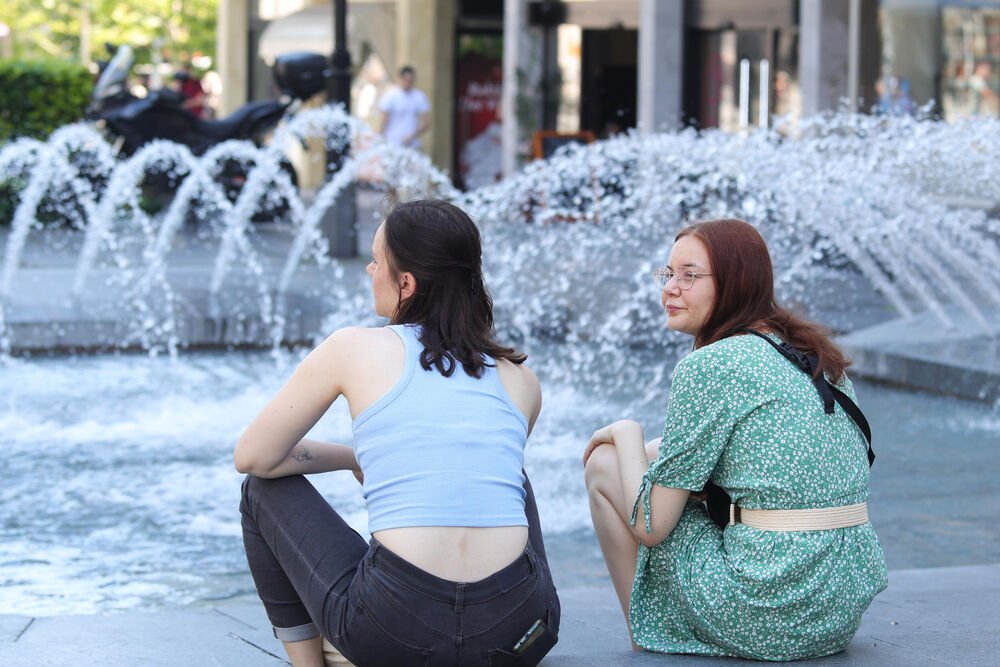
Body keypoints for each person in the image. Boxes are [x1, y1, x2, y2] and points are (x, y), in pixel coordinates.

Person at [235, 199, 560, 667]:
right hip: (519, 636)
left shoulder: (353, 347)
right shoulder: (520, 379)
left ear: (406, 283)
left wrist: (349, 458)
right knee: (506, 470)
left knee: (259, 489)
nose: (369, 269)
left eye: (377, 260)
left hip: (392, 635)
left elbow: (253, 457)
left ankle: (307, 663)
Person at [583, 218, 887, 661]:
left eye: (690, 275)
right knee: (656, 459)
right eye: (667, 273)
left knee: (607, 465)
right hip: (836, 607)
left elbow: (651, 526)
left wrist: (626, 432)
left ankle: (647, 632)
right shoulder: (809, 353)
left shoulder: (712, 364)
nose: (670, 288)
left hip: (770, 610)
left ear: (735, 282)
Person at [379, 65, 431, 148]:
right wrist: (380, 138)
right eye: (406, 80)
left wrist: (412, 136)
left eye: (411, 81)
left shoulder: (419, 97)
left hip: (412, 144)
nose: (408, 83)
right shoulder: (390, 96)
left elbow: (426, 123)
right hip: (392, 143)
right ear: (400, 79)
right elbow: (384, 120)